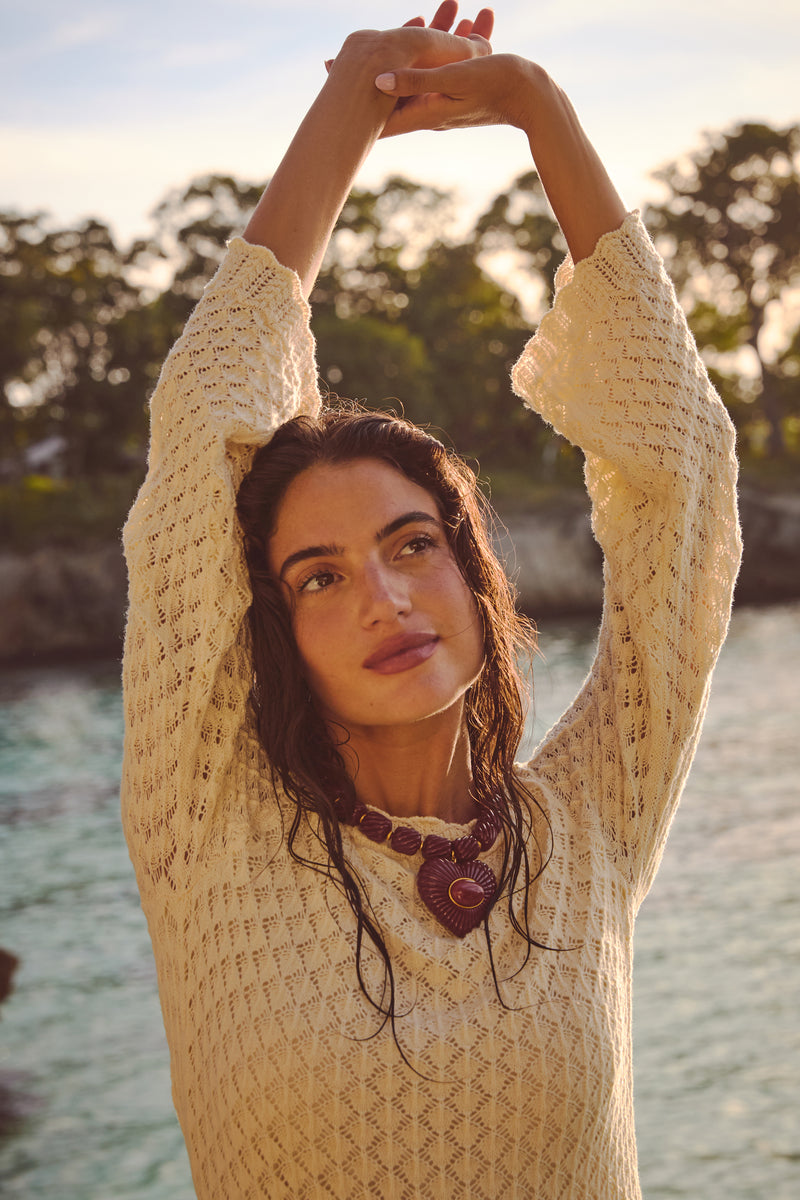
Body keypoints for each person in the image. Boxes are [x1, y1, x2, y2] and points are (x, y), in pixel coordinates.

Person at [120, 4, 742, 1197]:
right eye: (319, 576)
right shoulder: (208, 828)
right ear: (273, 629)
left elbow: (686, 481)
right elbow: (204, 422)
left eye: (413, 543)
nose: (386, 597)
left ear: (472, 572)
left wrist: (538, 108)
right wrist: (352, 98)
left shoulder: (590, 820)